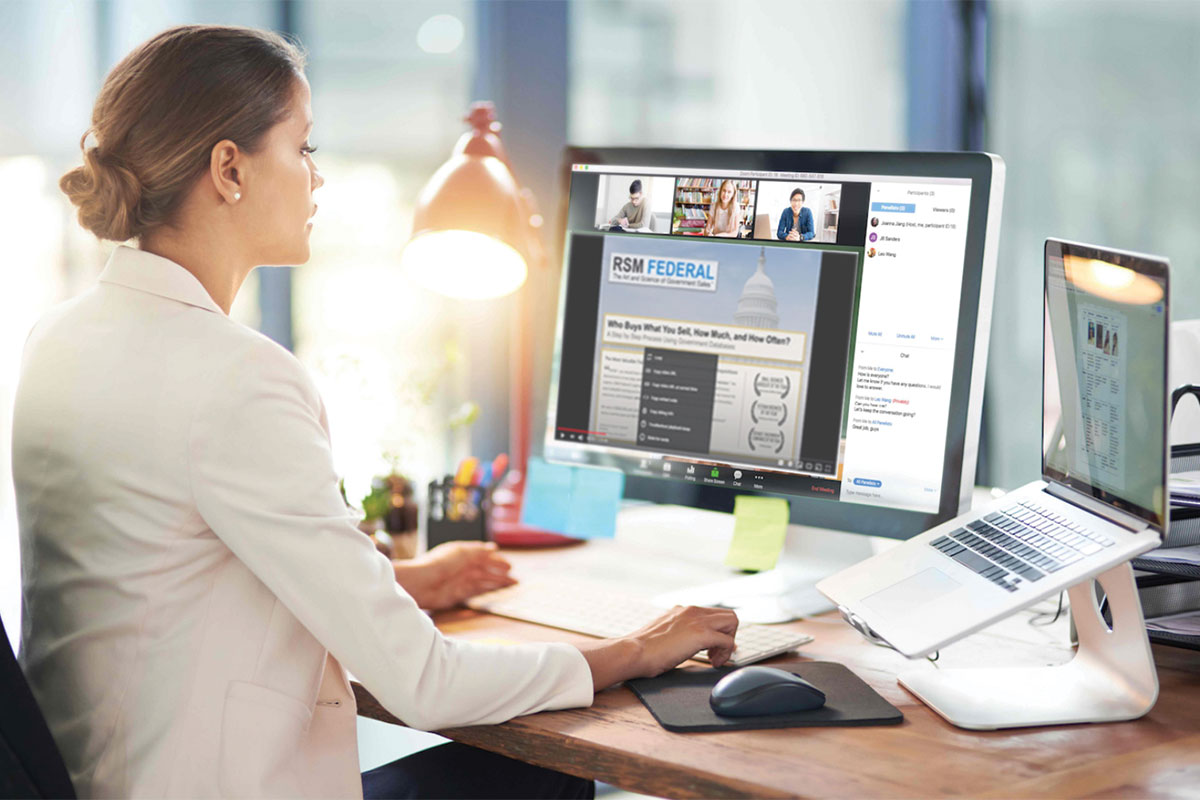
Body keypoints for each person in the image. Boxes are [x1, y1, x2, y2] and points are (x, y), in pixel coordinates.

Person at [13, 25, 738, 800]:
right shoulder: (236, 378)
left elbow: (166, 570)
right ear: (229, 168)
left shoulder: (58, 336)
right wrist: (638, 648)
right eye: (303, 148)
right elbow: (427, 683)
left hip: (104, 775)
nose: (317, 180)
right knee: (538, 778)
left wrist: (400, 584)